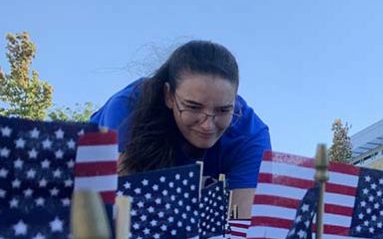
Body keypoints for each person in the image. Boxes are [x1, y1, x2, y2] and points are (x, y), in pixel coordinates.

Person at [91, 40, 270, 218]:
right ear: (169, 95)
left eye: (223, 110)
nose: (207, 125)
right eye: (193, 107)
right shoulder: (129, 108)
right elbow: (122, 214)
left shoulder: (251, 135)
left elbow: (243, 224)